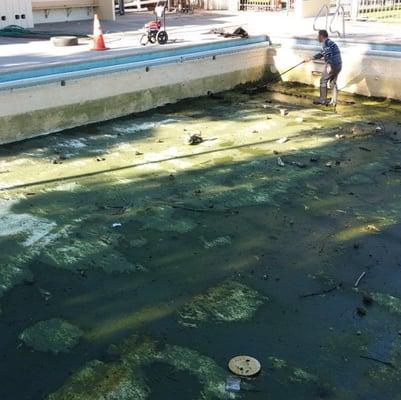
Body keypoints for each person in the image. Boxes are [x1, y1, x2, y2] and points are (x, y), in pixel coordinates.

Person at [308, 30, 342, 106]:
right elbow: (321, 53)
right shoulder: (330, 42)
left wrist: (329, 66)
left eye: (318, 36)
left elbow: (329, 54)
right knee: (333, 82)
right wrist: (311, 58)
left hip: (332, 64)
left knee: (323, 80)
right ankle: (334, 101)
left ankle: (322, 99)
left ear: (321, 36)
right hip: (338, 65)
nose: (317, 38)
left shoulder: (326, 44)